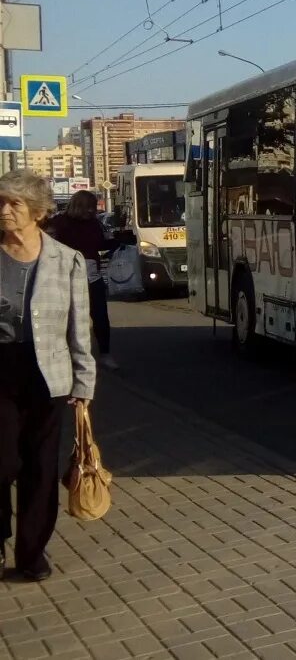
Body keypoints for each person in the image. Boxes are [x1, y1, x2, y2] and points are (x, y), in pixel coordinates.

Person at [0, 170, 96, 582]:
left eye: (14, 204)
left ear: (37, 212)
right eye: (1, 202)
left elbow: (80, 327)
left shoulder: (65, 259)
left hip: (48, 374)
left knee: (40, 468)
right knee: (2, 463)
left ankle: (31, 553)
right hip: (0, 370)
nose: (4, 211)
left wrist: (83, 383)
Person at [44, 190, 120, 370]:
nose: (91, 211)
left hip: (91, 276)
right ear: (78, 206)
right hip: (65, 277)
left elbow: (99, 244)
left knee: (100, 316)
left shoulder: (94, 224)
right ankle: (66, 356)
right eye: (88, 207)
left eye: (93, 208)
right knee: (68, 319)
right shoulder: (59, 223)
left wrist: (117, 243)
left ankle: (105, 354)